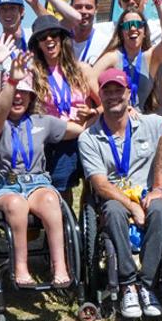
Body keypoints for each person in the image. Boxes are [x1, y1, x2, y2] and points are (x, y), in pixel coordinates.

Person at [0, 50, 86, 288]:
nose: (18, 97)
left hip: (37, 183)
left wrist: (94, 115)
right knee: (17, 205)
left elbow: (78, 130)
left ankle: (59, 265)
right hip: (6, 186)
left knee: (52, 199)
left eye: (24, 93)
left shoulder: (43, 122)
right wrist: (11, 81)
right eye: (14, 94)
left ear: (31, 98)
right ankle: (21, 267)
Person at [78, 68, 162, 319]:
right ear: (100, 96)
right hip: (114, 196)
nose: (113, 96)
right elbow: (99, 184)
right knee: (114, 211)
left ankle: (147, 284)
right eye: (106, 91)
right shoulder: (89, 138)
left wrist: (159, 186)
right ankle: (128, 283)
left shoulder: (150, 123)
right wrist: (132, 206)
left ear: (129, 94)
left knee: (161, 210)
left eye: (118, 90)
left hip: (145, 193)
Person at [27, 14, 98, 197]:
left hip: (86, 135)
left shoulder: (81, 69)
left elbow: (104, 103)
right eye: (43, 37)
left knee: (94, 186)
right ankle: (66, 222)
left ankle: (88, 220)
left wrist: (92, 111)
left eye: (53, 34)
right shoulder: (33, 74)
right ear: (37, 45)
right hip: (57, 140)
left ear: (61, 38)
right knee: (61, 189)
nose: (49, 40)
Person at [94, 0, 162, 112]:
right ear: (121, 32)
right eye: (127, 26)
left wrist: (158, 0)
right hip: (116, 121)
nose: (133, 28)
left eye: (138, 25)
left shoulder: (150, 57)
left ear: (145, 31)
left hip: (142, 121)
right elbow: (89, 77)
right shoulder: (113, 57)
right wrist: (105, 106)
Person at [68, 0, 109, 65]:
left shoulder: (105, 44)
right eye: (78, 7)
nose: (83, 11)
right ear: (71, 7)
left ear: (96, 9)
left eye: (88, 7)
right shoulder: (61, 39)